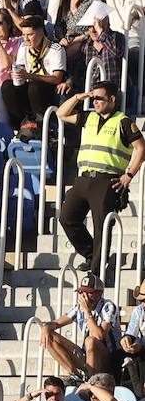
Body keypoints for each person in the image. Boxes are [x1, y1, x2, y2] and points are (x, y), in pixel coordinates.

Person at [56, 83, 145, 272]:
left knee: (101, 227)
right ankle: (91, 255)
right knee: (67, 217)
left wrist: (129, 174)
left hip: (107, 181)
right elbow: (61, 114)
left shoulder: (124, 122)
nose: (94, 102)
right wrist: (78, 97)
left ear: (112, 100)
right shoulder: (88, 117)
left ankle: (96, 271)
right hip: (84, 178)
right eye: (93, 98)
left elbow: (141, 147)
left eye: (99, 98)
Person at [41, 273, 120, 380]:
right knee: (49, 336)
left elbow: (99, 335)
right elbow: (56, 323)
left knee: (90, 341)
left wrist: (88, 312)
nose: (84, 297)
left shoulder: (108, 307)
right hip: (87, 357)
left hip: (109, 359)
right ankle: (76, 376)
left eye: (89, 293)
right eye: (81, 292)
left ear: (99, 293)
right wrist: (46, 327)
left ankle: (92, 384)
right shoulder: (79, 308)